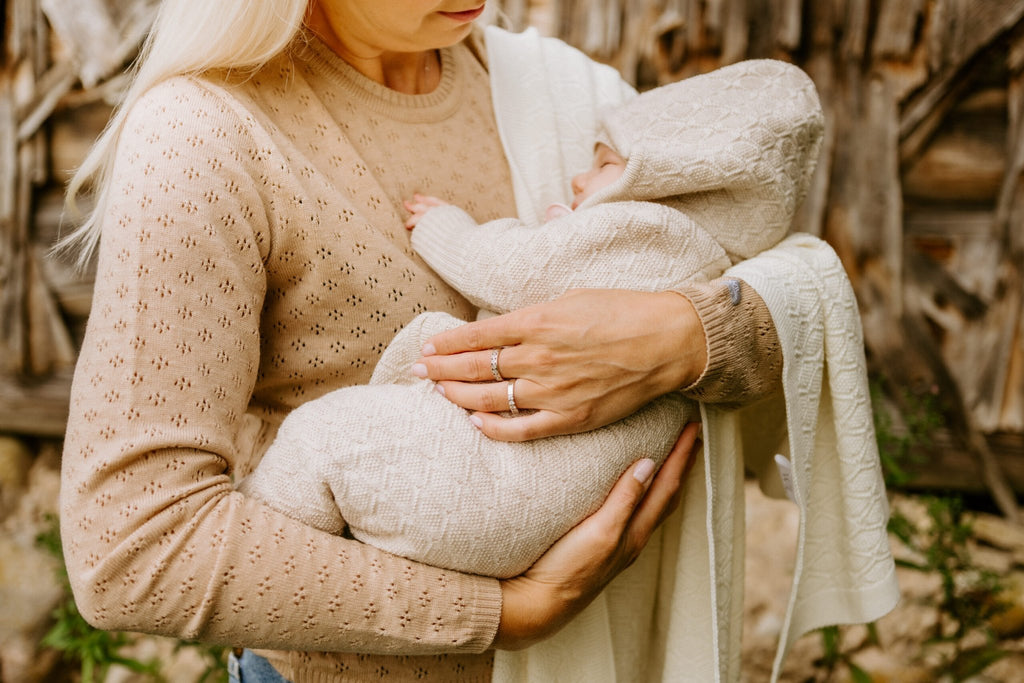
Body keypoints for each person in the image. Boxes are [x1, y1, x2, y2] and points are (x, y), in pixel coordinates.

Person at [55, 1, 885, 680]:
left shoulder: (559, 93)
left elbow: (779, 285)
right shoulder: (206, 138)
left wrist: (688, 338)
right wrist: (503, 613)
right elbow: (133, 548)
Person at [237, 59, 824, 579]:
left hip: (497, 480)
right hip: (538, 516)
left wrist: (450, 229)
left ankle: (255, 547)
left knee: (321, 438)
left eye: (604, 166)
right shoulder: (705, 263)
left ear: (673, 185)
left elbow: (516, 269)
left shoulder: (653, 229)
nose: (577, 178)